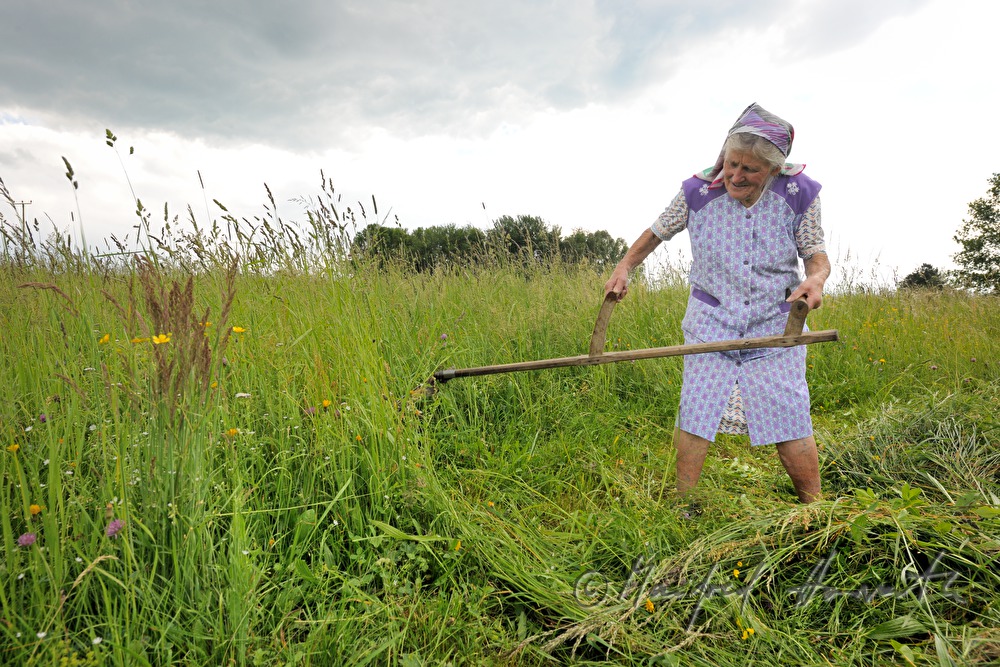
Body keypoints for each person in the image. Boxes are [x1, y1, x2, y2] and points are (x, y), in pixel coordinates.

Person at [604, 103, 830, 503]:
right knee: (697, 412)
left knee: (790, 416)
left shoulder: (798, 194)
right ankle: (684, 506)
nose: (735, 176)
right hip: (712, 322)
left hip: (775, 326)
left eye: (749, 169)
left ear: (774, 171)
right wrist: (624, 266)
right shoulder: (698, 191)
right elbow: (657, 232)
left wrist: (815, 279)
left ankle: (816, 509)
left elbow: (815, 254)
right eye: (731, 163)